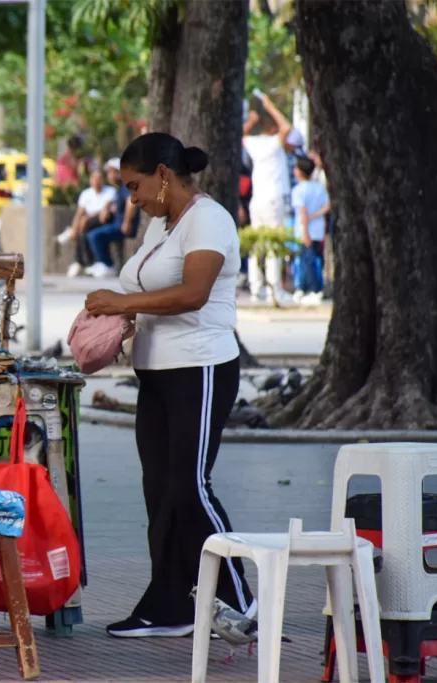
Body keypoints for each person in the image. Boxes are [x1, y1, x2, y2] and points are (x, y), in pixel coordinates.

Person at [84, 132, 255, 638]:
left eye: (135, 186)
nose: (130, 199)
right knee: (159, 490)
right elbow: (148, 289)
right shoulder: (161, 225)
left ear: (163, 173)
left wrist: (120, 304)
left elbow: (194, 293)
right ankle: (171, 604)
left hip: (200, 369)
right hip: (155, 372)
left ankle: (243, 601)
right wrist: (119, 317)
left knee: (189, 486)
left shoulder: (209, 218)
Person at [242, 92, 293, 301]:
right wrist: (270, 106)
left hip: (258, 200)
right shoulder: (273, 145)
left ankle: (256, 288)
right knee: (274, 244)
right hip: (274, 198)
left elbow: (239, 135)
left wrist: (250, 121)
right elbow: (287, 128)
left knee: (257, 246)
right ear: (272, 129)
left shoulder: (254, 144)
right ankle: (275, 289)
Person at [85, 157, 140, 278]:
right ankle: (100, 262)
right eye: (109, 172)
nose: (109, 175)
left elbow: (131, 202)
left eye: (112, 172)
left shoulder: (126, 186)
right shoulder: (120, 188)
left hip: (123, 226)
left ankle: (107, 265)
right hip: (118, 224)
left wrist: (127, 222)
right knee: (93, 229)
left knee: (95, 235)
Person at [60, 169, 118, 278]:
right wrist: (74, 228)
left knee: (85, 224)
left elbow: (105, 212)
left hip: (104, 220)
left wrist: (86, 219)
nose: (97, 181)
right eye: (94, 179)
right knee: (83, 230)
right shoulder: (86, 194)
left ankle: (79, 261)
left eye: (99, 179)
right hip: (88, 223)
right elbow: (79, 213)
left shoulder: (110, 191)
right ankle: (81, 260)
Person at [291, 155, 329, 304]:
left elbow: (302, 213)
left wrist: (305, 231)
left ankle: (313, 290)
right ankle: (311, 288)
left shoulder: (299, 190)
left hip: (305, 231)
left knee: (307, 261)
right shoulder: (319, 187)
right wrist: (315, 216)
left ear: (300, 172)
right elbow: (327, 206)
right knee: (314, 260)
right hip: (318, 230)